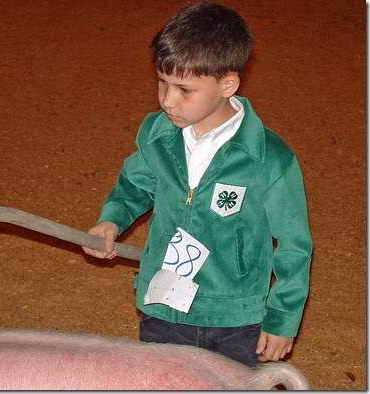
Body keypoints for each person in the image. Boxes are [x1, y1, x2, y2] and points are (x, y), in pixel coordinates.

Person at [82, 1, 312, 368]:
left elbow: (295, 246)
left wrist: (282, 318)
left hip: (237, 319)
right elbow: (135, 185)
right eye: (162, 82)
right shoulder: (156, 134)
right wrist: (112, 219)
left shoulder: (270, 159)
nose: (167, 100)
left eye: (184, 89)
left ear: (228, 84)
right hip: (164, 306)